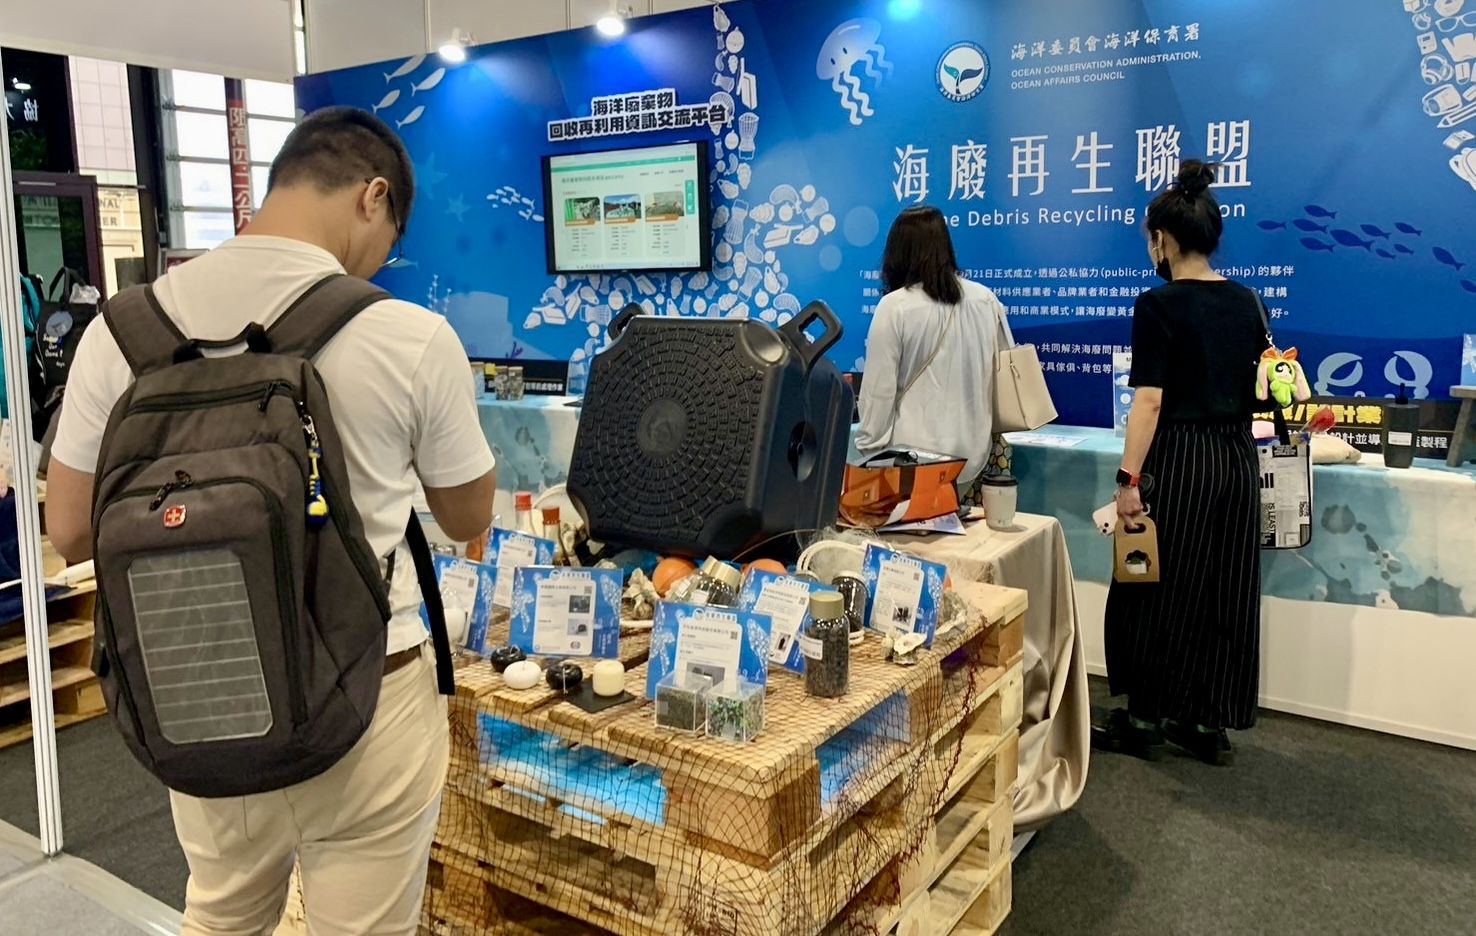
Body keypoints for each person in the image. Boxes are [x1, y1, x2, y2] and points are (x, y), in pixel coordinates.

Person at [45, 107, 496, 934]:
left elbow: (69, 528)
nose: (380, 261)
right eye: (390, 239)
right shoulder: (407, 335)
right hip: (371, 691)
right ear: (373, 196)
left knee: (221, 916)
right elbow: (468, 513)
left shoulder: (122, 332)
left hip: (203, 684)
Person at [1094, 160, 1269, 767]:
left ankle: (1145, 716)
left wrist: (1128, 480)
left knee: (1152, 584)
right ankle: (1204, 722)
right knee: (1224, 588)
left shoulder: (1158, 304)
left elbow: (1149, 401)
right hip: (1236, 461)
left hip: (1180, 459)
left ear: (1162, 239)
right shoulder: (1248, 302)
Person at [855, 205, 1011, 489]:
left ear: (897, 253)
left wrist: (869, 449)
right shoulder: (986, 300)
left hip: (911, 461)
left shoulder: (895, 306)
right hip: (973, 458)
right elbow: (1003, 373)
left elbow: (878, 391)